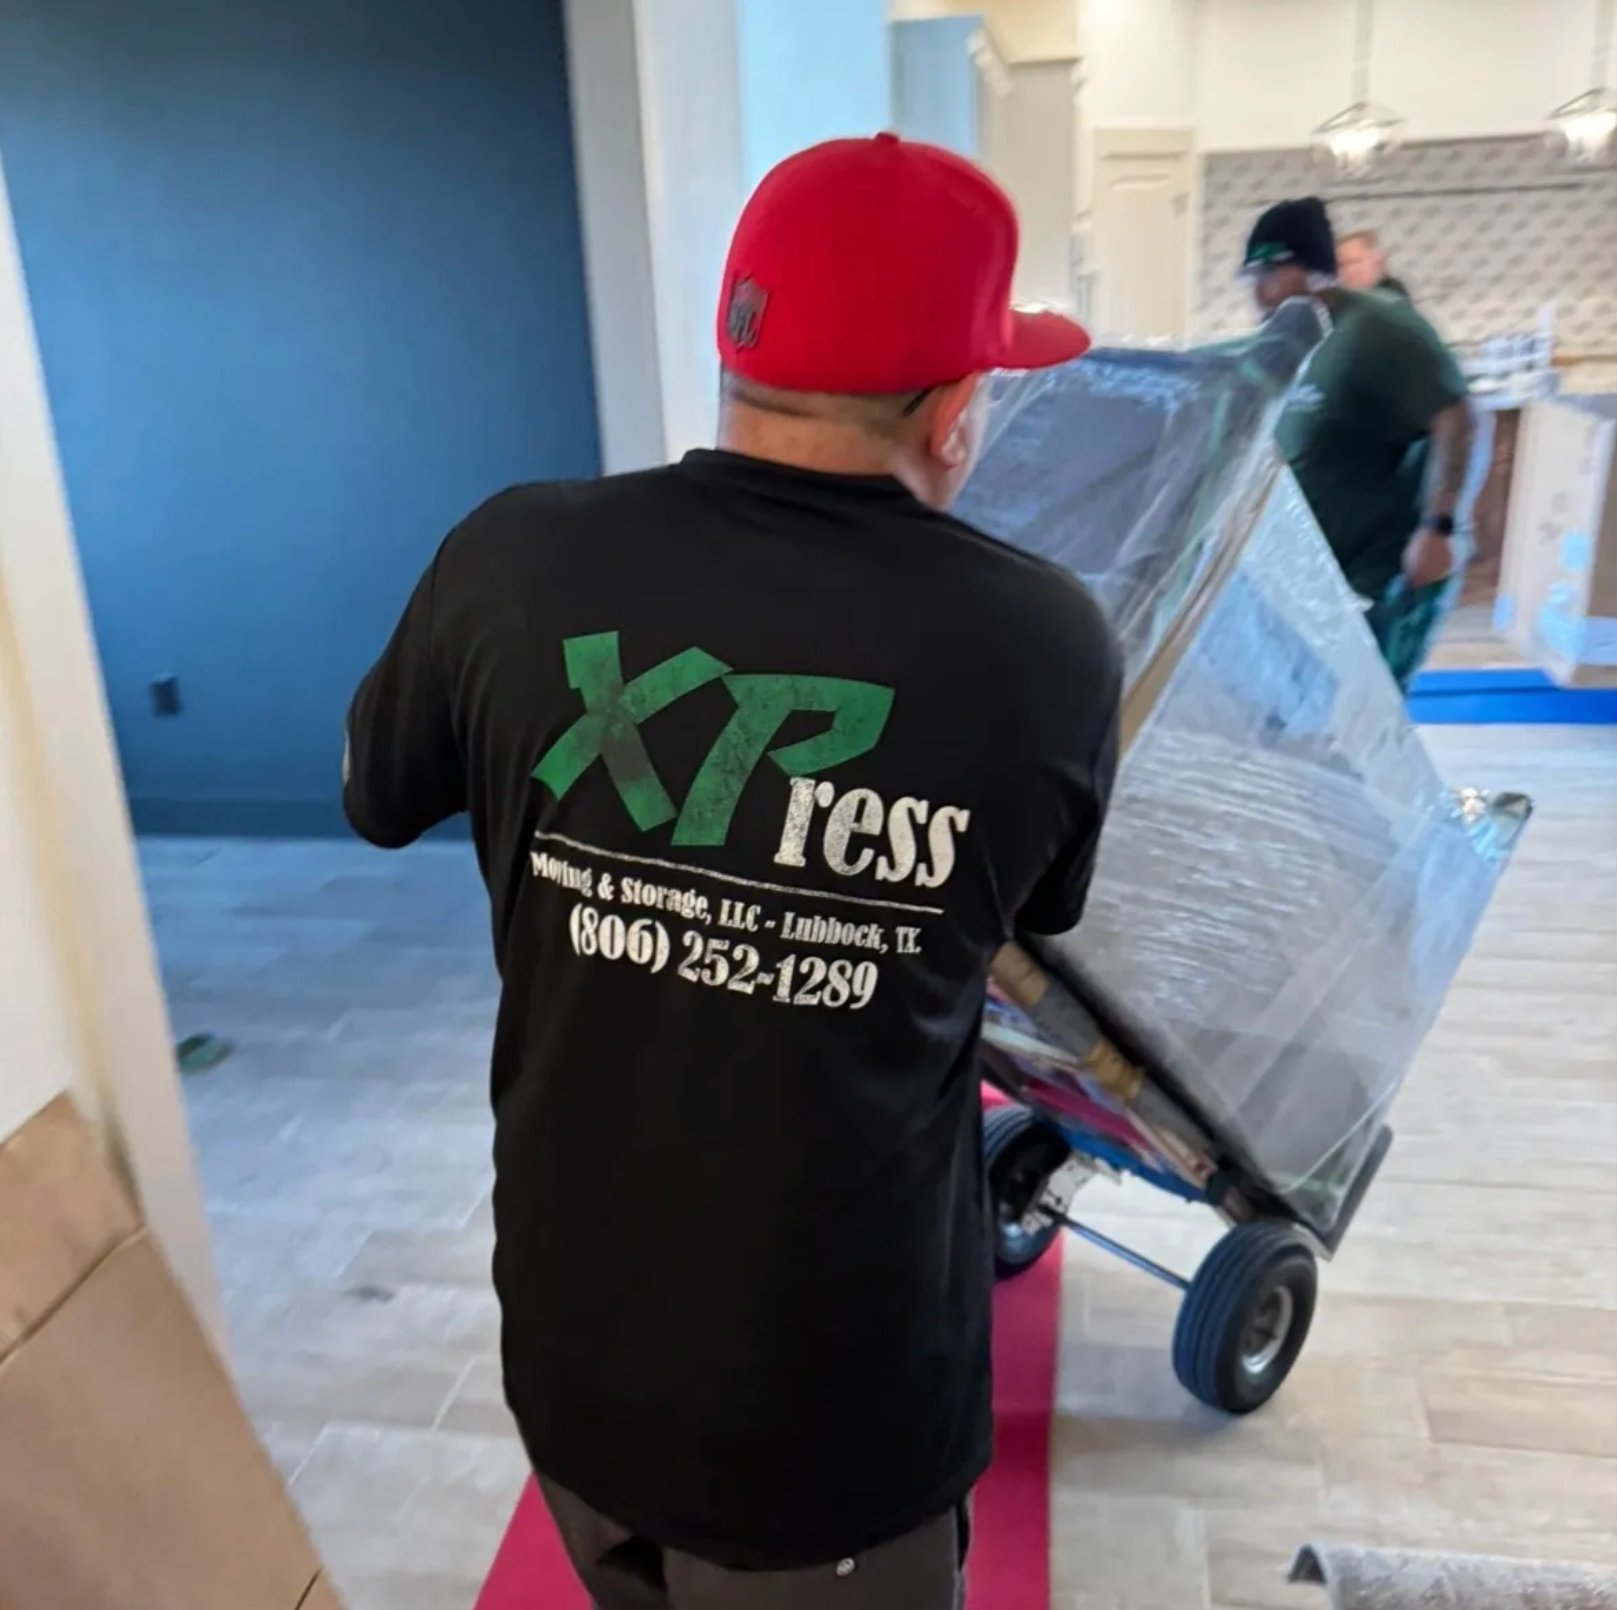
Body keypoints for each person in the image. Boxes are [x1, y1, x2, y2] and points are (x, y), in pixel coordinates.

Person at [344, 134, 1119, 1610]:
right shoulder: (1041, 645)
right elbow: (1033, 915)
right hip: (833, 1418)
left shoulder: (510, 555)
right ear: (957, 412)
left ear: (736, 355)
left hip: (572, 1355)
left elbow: (373, 791)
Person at [1244, 198, 1476, 690]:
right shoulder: (1296, 340)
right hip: (1319, 575)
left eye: (1269, 273)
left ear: (1310, 270)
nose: (1258, 293)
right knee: (1309, 714)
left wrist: (1438, 527)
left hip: (1378, 577)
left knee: (1363, 713)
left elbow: (1458, 415)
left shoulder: (1379, 330)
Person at [1336, 227, 1411, 300]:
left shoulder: (1392, 294)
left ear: (1377, 260)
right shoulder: (1339, 300)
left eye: (1354, 262)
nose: (1348, 270)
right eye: (1342, 265)